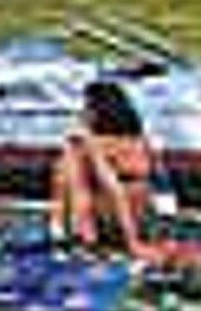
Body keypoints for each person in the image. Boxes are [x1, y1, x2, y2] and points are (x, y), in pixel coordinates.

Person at [50, 79, 156, 253]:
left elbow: (111, 188)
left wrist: (131, 240)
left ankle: (68, 234)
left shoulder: (90, 144)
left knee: (70, 161)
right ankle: (68, 232)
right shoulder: (139, 141)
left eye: (86, 108)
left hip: (116, 221)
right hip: (143, 219)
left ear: (96, 111)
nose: (82, 113)